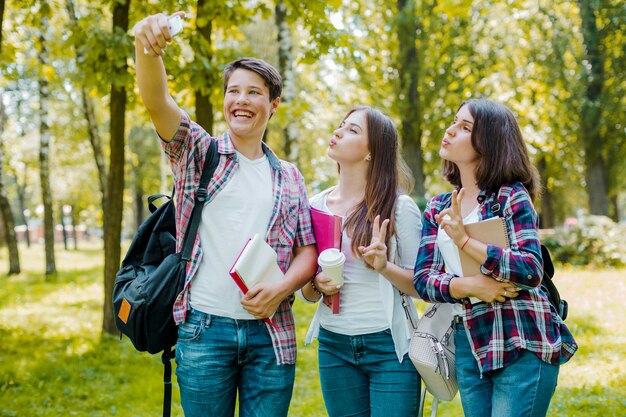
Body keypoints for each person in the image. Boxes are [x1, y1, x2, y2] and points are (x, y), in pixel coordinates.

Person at [133, 13, 318, 417]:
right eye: (233, 91)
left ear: (273, 104)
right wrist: (147, 48)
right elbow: (156, 100)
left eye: (254, 93)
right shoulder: (200, 154)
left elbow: (308, 251)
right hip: (204, 332)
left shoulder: (289, 177)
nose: (241, 100)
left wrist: (281, 288)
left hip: (271, 337)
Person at [413, 98, 578, 417]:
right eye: (454, 122)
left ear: (489, 142)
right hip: (470, 342)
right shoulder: (438, 207)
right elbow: (424, 280)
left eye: (465, 127)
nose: (450, 130)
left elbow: (530, 269)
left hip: (520, 337)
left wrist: (464, 240)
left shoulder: (510, 196)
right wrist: (472, 287)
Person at [298, 106, 423, 417]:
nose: (338, 132)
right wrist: (317, 284)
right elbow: (306, 292)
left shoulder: (399, 208)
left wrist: (384, 267)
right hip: (334, 345)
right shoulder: (314, 206)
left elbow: (423, 287)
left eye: (353, 130)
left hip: (389, 348)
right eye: (341, 125)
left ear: (372, 152)